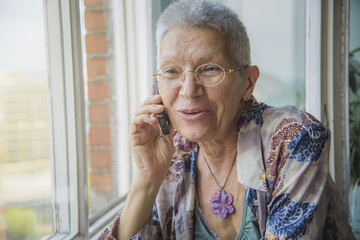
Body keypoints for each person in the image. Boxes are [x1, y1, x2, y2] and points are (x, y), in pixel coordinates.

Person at [98, 0, 355, 239]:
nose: (188, 89)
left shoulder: (296, 140)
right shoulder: (172, 153)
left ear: (248, 82)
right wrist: (147, 177)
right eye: (171, 71)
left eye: (210, 69)